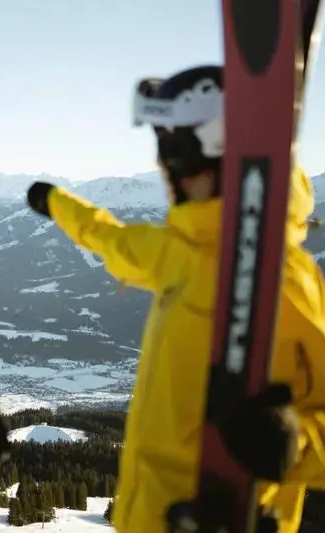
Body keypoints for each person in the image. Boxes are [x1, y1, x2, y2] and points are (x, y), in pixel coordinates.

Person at [25, 65, 325, 533]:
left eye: (170, 151)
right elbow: (113, 240)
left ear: (202, 155)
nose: (165, 171)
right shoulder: (180, 252)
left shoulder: (283, 279)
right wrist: (57, 204)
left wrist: (295, 445)